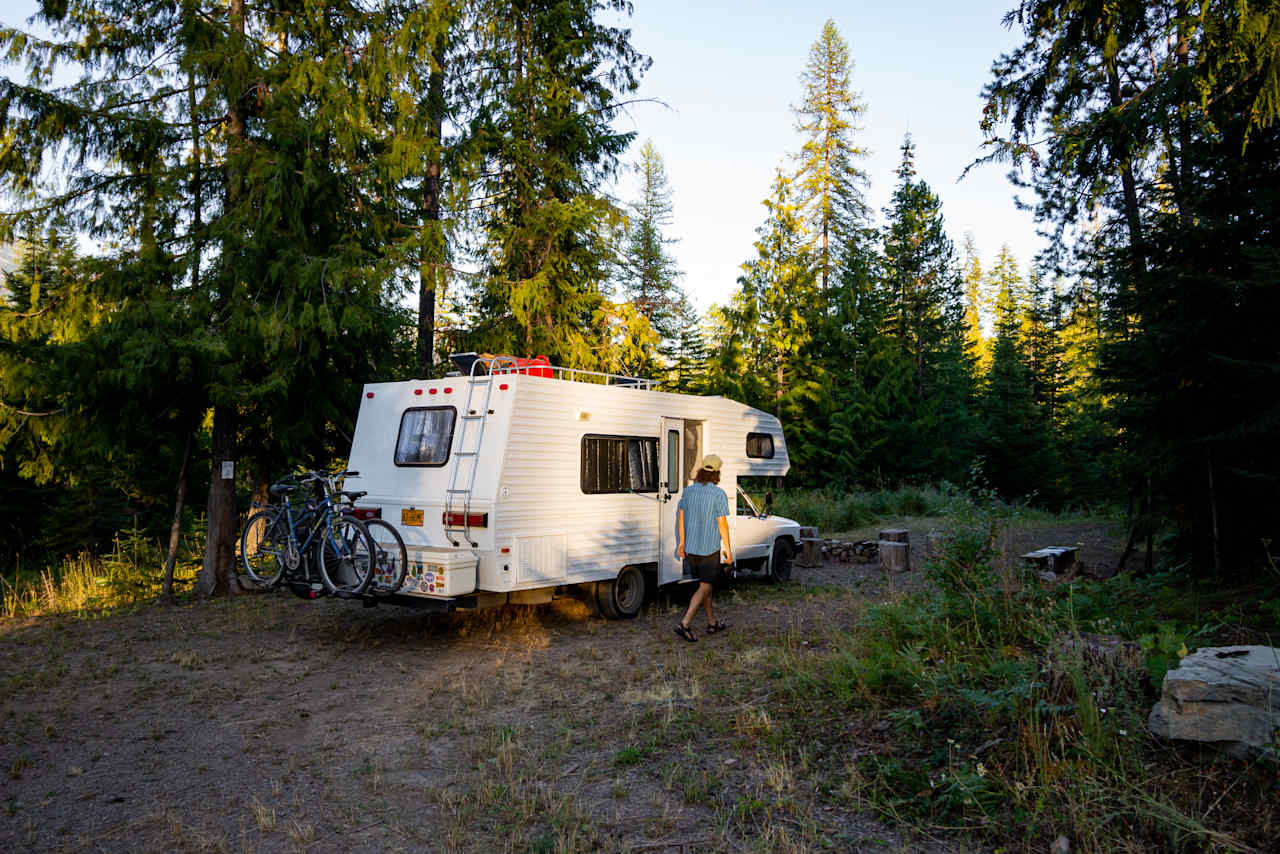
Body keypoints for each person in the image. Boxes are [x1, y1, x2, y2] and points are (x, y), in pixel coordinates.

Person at [673, 454, 733, 642]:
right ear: (717, 472)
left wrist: (682, 543)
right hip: (709, 549)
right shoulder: (718, 494)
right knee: (705, 586)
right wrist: (729, 552)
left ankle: (712, 622)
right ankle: (685, 624)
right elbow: (722, 524)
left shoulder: (688, 491)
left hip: (691, 549)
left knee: (705, 586)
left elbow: (681, 518)